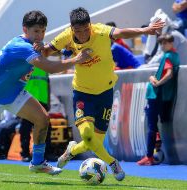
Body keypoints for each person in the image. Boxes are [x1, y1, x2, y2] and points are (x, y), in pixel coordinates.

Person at [0, 10, 91, 180]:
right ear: (25, 30)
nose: (40, 36)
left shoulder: (33, 45)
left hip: (14, 93)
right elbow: (49, 67)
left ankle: (37, 162)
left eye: (42, 31)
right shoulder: (20, 46)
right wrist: (76, 59)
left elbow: (47, 52)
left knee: (42, 119)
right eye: (36, 31)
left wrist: (65, 51)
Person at [37, 7, 164, 181]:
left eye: (85, 30)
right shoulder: (66, 36)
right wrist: (38, 45)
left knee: (94, 140)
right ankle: (113, 163)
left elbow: (121, 32)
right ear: (72, 28)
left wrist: (145, 30)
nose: (82, 35)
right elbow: (46, 51)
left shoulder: (101, 31)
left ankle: (71, 151)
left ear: (90, 25)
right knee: (88, 136)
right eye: (77, 31)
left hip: (105, 93)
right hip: (82, 93)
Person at [137, 34, 179, 166]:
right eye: (161, 43)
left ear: (171, 43)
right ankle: (153, 154)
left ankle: (149, 156)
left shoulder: (168, 56)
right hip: (162, 97)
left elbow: (169, 73)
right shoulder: (174, 56)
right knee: (155, 126)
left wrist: (157, 82)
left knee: (151, 127)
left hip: (156, 96)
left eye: (165, 42)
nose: (162, 45)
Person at [19, 67, 55, 162]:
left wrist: (48, 101)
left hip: (42, 101)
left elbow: (47, 84)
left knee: (46, 128)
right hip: (27, 100)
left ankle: (47, 153)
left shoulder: (45, 66)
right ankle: (25, 153)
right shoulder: (27, 64)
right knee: (25, 128)